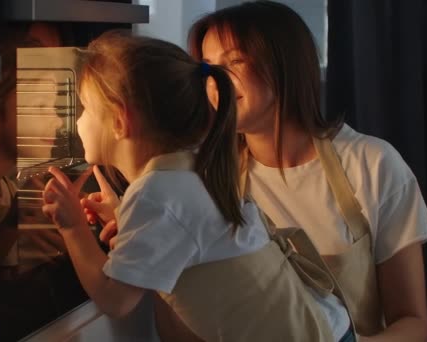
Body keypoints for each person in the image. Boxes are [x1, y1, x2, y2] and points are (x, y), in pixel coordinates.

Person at [41, 30, 356, 341]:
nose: (78, 121)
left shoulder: (156, 195)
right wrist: (124, 216)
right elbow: (184, 231)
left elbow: (115, 300)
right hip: (323, 326)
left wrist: (73, 227)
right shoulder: (188, 172)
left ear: (120, 121)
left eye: (85, 109)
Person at [174, 1, 427, 341]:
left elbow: (414, 324)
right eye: (210, 68)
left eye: (235, 61)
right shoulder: (208, 180)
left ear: (285, 65)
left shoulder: (372, 164)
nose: (217, 83)